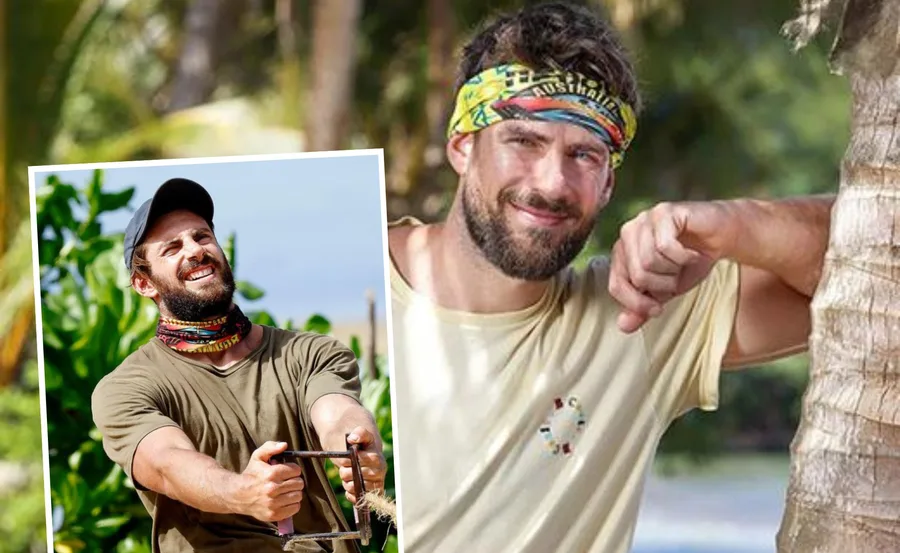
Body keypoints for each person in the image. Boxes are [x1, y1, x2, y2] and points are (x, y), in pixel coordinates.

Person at [388, 2, 832, 552]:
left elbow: (878, 266)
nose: (552, 182)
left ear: (607, 187)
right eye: (523, 141)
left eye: (585, 155)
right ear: (462, 145)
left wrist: (729, 225)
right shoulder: (343, 276)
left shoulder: (639, 315)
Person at [91, 177, 386, 553]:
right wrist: (242, 493)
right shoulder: (125, 387)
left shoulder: (310, 352)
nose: (195, 251)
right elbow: (167, 462)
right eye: (172, 248)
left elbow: (336, 412)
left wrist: (358, 446)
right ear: (144, 283)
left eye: (201, 237)